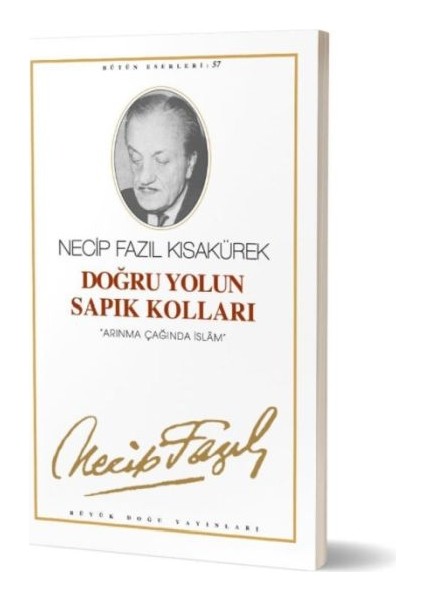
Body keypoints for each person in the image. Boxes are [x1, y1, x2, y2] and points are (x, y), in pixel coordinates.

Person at [118, 91, 207, 227]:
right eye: (135, 159)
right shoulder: (119, 205)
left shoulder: (208, 211)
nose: (144, 178)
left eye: (161, 160)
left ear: (190, 163)